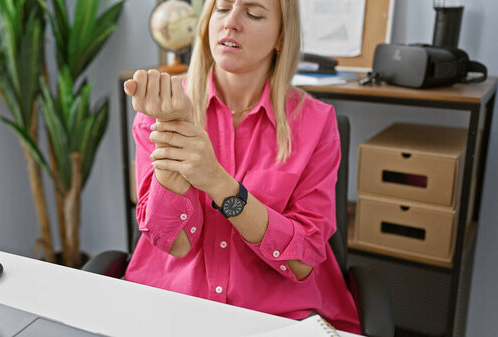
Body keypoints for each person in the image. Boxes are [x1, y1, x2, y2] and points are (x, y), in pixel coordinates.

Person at [122, 0, 359, 333]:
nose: (231, 22)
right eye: (221, 9)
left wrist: (220, 184)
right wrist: (172, 141)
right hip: (172, 305)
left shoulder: (316, 123)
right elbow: (173, 242)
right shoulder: (162, 109)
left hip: (278, 318)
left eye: (253, 13)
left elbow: (302, 261)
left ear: (281, 38)